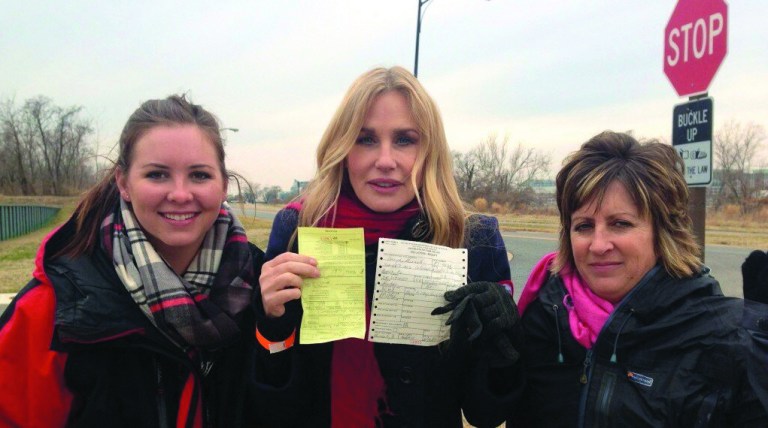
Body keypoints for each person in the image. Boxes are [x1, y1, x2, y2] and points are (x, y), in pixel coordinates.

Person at [250, 66, 521, 427]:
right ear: (342, 147)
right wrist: (271, 326)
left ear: (430, 149)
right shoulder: (298, 228)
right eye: (365, 139)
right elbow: (274, 409)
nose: (386, 160)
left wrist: (500, 344)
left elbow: (486, 413)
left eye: (405, 139)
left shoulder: (472, 239)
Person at [0, 95, 263, 427]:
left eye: (199, 175)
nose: (180, 194)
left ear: (224, 185)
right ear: (124, 183)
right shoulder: (54, 309)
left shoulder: (260, 290)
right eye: (157, 175)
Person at [508, 131, 768, 426]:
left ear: (663, 231)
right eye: (584, 226)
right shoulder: (545, 314)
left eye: (620, 223)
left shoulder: (716, 337)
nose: (598, 244)